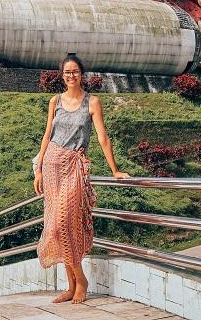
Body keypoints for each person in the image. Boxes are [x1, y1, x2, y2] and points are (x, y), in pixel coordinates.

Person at [33, 54, 130, 304]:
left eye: (75, 72)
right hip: (52, 166)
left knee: (65, 223)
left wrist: (115, 170)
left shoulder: (92, 102)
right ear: (62, 75)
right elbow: (46, 136)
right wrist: (39, 169)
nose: (71, 76)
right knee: (55, 227)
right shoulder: (55, 101)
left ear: (81, 74)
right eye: (67, 72)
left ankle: (82, 281)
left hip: (74, 167)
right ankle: (72, 284)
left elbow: (102, 138)